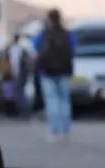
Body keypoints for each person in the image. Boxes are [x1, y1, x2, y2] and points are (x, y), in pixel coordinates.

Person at [32, 8, 77, 141]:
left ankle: (54, 131)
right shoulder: (68, 34)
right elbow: (74, 48)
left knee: (52, 101)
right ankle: (66, 130)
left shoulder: (43, 34)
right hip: (64, 71)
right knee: (64, 100)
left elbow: (35, 47)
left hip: (47, 72)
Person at [6, 33, 32, 118]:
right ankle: (24, 110)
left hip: (19, 73)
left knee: (18, 92)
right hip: (23, 73)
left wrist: (14, 74)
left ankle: (23, 110)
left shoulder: (14, 49)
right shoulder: (23, 48)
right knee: (20, 92)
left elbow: (15, 64)